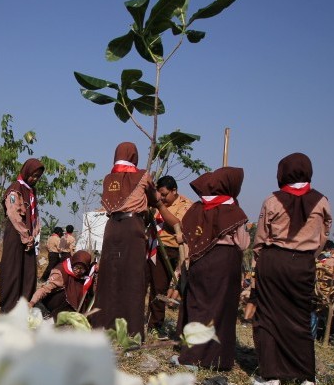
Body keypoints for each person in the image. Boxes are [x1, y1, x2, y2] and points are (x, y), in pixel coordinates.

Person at [251, 152, 332, 385]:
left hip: (273, 260)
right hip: (303, 264)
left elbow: (261, 237)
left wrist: (262, 257)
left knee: (267, 316)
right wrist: (307, 256)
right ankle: (307, 378)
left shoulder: (272, 200)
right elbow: (324, 236)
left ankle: (272, 377)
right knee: (300, 318)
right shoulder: (322, 201)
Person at [173, 167, 249, 370]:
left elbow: (185, 234)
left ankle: (191, 354)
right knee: (220, 311)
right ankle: (214, 359)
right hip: (224, 263)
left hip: (199, 262)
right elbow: (242, 243)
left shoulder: (198, 208)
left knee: (198, 307)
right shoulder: (232, 211)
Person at [89, 142, 158, 337]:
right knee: (133, 277)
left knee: (109, 275)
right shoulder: (143, 176)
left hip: (111, 227)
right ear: (134, 156)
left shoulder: (108, 179)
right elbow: (153, 197)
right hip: (132, 227)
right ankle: (131, 330)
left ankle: (103, 325)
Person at [147, 175, 193, 339]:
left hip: (176, 250)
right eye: (160, 195)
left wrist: (160, 206)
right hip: (156, 248)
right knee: (157, 288)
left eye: (165, 195)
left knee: (181, 289)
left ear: (174, 190)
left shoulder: (186, 205)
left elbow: (177, 224)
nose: (163, 198)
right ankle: (154, 324)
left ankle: (182, 328)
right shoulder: (155, 204)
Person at [0, 158, 44, 313]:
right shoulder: (15, 189)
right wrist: (25, 236)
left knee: (29, 271)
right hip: (16, 234)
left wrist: (35, 231)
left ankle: (24, 306)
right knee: (13, 270)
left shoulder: (31, 191)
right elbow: (13, 214)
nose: (35, 179)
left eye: (38, 176)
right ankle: (8, 308)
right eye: (33, 175)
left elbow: (35, 213)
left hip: (28, 236)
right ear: (26, 172)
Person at [29, 250, 94, 319]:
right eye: (76, 267)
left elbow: (94, 267)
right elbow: (45, 289)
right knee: (67, 295)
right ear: (73, 263)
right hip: (56, 300)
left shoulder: (85, 275)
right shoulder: (60, 273)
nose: (78, 271)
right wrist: (32, 302)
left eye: (82, 269)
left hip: (73, 304)